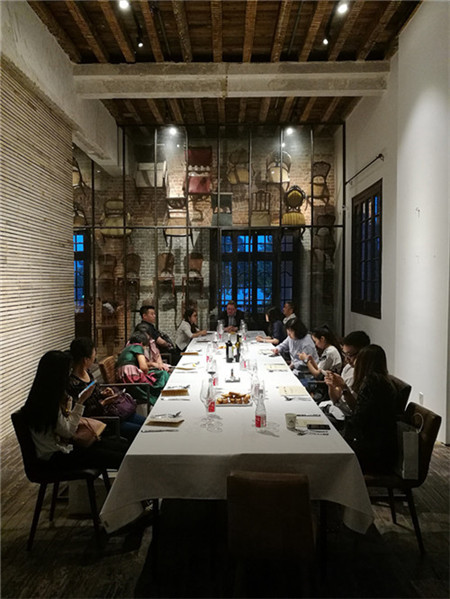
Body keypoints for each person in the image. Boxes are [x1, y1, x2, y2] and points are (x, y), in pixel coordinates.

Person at [21, 350, 127, 469]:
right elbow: (68, 431)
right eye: (68, 371)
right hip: (56, 456)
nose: (69, 375)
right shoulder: (47, 402)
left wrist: (70, 401)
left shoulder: (41, 395)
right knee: (120, 457)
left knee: (121, 448)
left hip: (64, 447)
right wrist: (81, 401)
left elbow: (65, 424)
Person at [67, 337, 145, 443]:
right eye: (93, 355)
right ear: (86, 360)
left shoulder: (87, 372)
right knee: (141, 431)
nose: (94, 358)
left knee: (146, 423)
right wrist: (104, 403)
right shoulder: (73, 384)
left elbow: (95, 392)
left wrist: (104, 393)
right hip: (104, 421)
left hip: (113, 412)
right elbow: (82, 413)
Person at [343, 345, 398, 473]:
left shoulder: (371, 383)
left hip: (373, 450)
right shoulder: (382, 380)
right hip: (383, 445)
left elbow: (359, 418)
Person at [116, 330, 170, 406]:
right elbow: (143, 367)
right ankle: (165, 398)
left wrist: (152, 365)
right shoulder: (138, 347)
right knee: (162, 374)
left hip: (125, 377)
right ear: (142, 343)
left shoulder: (127, 348)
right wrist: (148, 373)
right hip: (133, 379)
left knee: (157, 374)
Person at [324, 330, 371, 416]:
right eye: (345, 354)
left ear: (362, 353)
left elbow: (356, 410)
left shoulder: (367, 375)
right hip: (338, 411)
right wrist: (331, 385)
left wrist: (344, 387)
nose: (346, 359)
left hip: (349, 417)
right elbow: (336, 400)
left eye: (350, 355)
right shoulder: (348, 368)